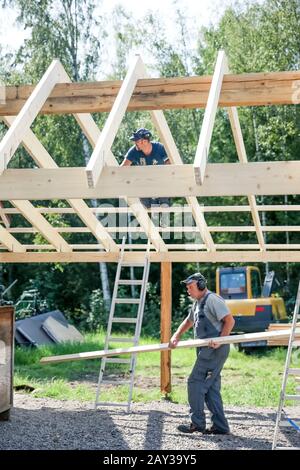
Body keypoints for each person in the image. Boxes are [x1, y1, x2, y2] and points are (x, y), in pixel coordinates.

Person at [169, 272, 235, 435]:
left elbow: (230, 321)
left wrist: (220, 340)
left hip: (214, 349)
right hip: (206, 349)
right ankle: (220, 426)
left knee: (195, 382)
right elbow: (189, 320)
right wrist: (176, 335)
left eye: (190, 287)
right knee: (211, 387)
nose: (188, 291)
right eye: (187, 288)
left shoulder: (212, 299)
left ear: (201, 285)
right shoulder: (197, 303)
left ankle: (196, 423)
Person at [121, 128, 170, 209]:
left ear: (145, 141)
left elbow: (170, 165)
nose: (135, 143)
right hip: (144, 184)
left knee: (164, 206)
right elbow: (123, 168)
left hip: (161, 183)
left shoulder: (160, 148)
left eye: (137, 141)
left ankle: (163, 208)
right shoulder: (134, 151)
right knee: (147, 207)